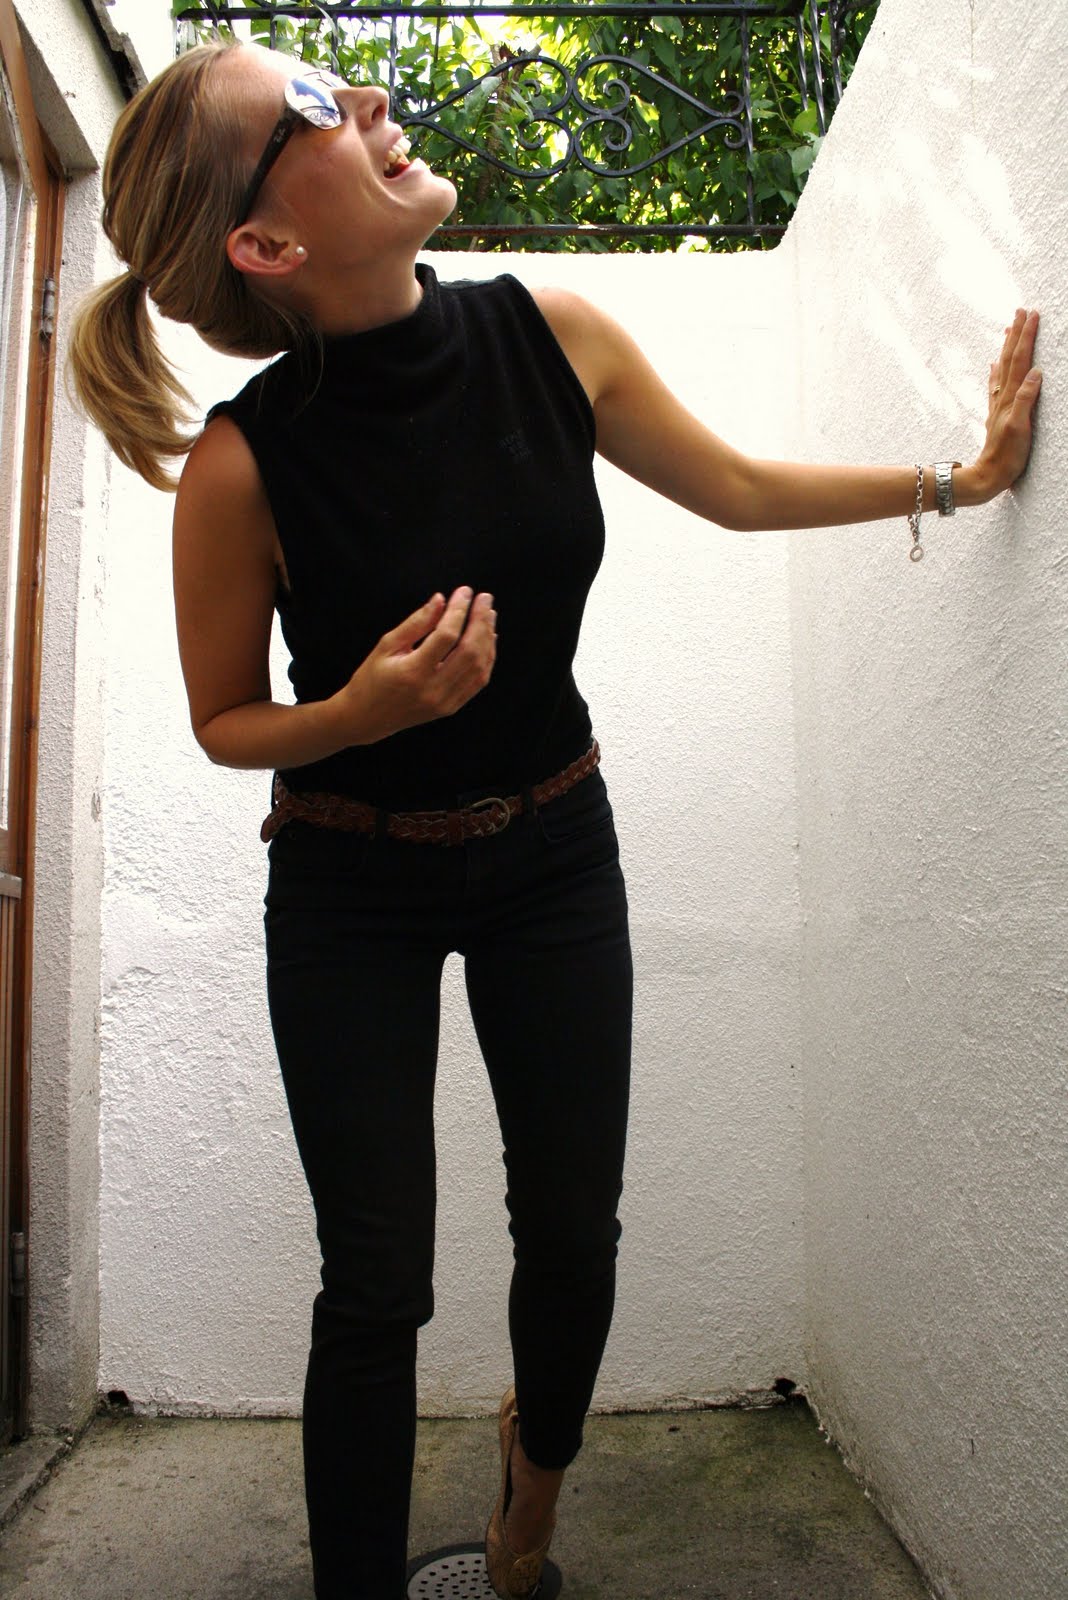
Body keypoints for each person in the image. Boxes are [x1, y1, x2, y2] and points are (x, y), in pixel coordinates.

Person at [68, 38, 1041, 1600]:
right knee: (375, 1282)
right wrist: (362, 713)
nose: (365, 100)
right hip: (348, 885)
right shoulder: (243, 466)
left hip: (551, 853)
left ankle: (524, 1534)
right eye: (313, 107)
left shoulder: (551, 336)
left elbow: (737, 489)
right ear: (268, 244)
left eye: (339, 80)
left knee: (576, 1234)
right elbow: (226, 721)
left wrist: (961, 479)